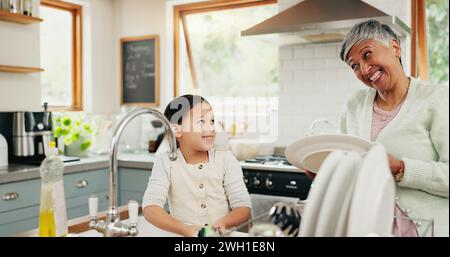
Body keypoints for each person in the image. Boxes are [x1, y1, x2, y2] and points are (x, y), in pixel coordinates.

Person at [306, 19, 448, 236]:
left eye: (367, 54)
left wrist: (400, 168)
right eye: (354, 66)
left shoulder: (436, 99)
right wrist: (330, 175)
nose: (364, 69)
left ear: (395, 48)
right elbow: (353, 171)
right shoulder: (353, 105)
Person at [142, 94, 252, 237]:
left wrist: (223, 222)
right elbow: (151, 208)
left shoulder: (226, 159)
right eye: (201, 121)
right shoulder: (165, 162)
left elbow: (243, 207)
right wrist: (185, 229)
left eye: (212, 121)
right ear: (177, 130)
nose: (211, 127)